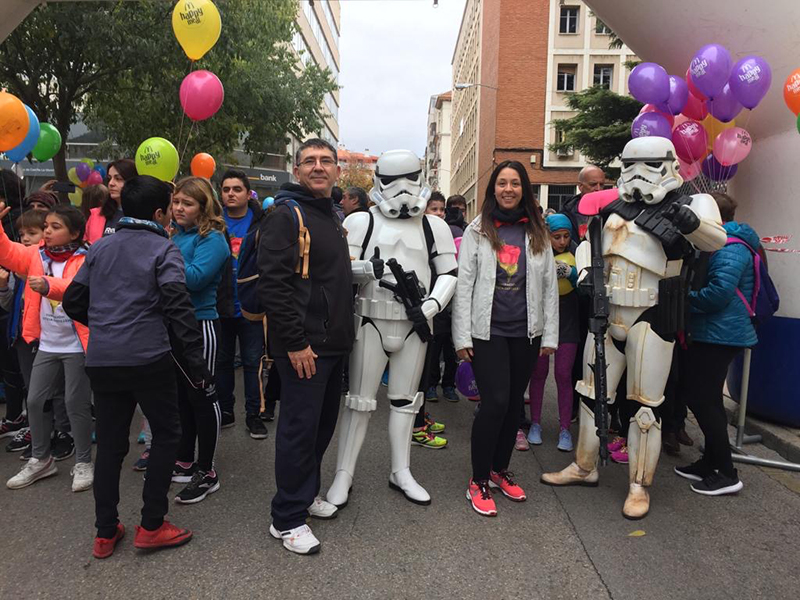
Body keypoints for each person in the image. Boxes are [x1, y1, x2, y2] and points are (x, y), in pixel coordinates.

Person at [541, 137, 727, 520]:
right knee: (592, 394)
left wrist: (690, 224)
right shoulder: (611, 205)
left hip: (653, 315)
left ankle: (639, 484)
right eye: (631, 165)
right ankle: (585, 465)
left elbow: (715, 240)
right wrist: (588, 278)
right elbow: (589, 246)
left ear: (669, 165)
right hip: (606, 314)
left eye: (649, 165)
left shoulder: (693, 203)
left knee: (646, 405)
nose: (638, 174)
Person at [63, 175, 202, 558]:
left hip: (104, 359)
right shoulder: (164, 249)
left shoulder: (100, 248)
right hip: (148, 359)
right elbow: (178, 307)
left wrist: (108, 323)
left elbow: (74, 301)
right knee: (168, 434)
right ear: (159, 213)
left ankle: (105, 533)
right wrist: (196, 363)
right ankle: (152, 524)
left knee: (109, 445)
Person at [326, 149, 457, 510]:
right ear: (379, 182)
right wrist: (371, 269)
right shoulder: (360, 223)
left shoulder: (436, 226)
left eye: (409, 179)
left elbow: (448, 274)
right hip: (369, 319)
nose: (402, 190)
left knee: (405, 402)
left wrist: (431, 305)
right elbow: (343, 270)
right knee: (359, 402)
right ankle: (344, 473)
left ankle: (401, 470)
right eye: (392, 181)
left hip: (416, 324)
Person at [259, 138, 357, 555]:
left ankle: (304, 494)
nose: (319, 167)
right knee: (298, 432)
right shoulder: (286, 214)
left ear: (337, 171)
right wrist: (295, 342)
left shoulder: (330, 214)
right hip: (304, 347)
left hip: (331, 344)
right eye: (309, 162)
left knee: (320, 427)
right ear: (296, 171)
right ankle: (287, 518)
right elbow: (274, 285)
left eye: (326, 161)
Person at [452, 160, 559, 517]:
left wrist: (550, 336)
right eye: (502, 183)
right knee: (495, 403)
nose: (508, 189)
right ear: (492, 189)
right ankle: (478, 479)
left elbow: (548, 289)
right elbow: (464, 283)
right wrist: (461, 336)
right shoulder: (477, 230)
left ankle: (499, 470)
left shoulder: (538, 231)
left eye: (515, 183)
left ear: (524, 189)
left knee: (514, 404)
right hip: (488, 332)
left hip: (527, 333)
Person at [0, 203, 94, 493]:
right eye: (47, 227)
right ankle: (42, 459)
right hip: (47, 344)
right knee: (36, 401)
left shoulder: (87, 257)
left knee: (75, 405)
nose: (47, 232)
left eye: (55, 227)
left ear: (74, 233)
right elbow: (7, 253)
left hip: (77, 344)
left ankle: (84, 462)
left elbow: (79, 286)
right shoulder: (35, 255)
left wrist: (49, 285)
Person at [674, 192, 756, 496]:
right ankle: (710, 462)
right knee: (702, 398)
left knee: (703, 399)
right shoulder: (715, 244)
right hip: (710, 333)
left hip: (721, 335)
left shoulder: (730, 248)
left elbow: (718, 294)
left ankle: (726, 472)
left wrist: (681, 299)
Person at [169, 176, 230, 504]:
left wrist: (161, 257)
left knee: (203, 397)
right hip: (174, 326)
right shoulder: (177, 236)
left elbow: (193, 279)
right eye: (176, 201)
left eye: (187, 203)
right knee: (182, 397)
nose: (178, 208)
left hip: (200, 325)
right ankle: (184, 460)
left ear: (203, 207)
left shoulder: (214, 239)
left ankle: (207, 471)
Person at [215, 169, 268, 439]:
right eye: (226, 189)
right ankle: (225, 411)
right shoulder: (213, 223)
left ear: (248, 194)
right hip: (220, 304)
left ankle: (254, 415)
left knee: (251, 362)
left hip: (252, 304)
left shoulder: (262, 222)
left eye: (237, 189)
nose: (231, 194)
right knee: (222, 362)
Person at [527, 214, 580, 451]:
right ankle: (535, 423)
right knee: (538, 374)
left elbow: (591, 283)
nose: (561, 242)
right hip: (542, 319)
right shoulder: (536, 254)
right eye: (556, 237)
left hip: (568, 320)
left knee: (563, 375)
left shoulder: (579, 254)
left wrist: (574, 274)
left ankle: (565, 429)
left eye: (566, 236)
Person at [85, 158, 136, 241]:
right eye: (109, 178)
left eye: (118, 179)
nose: (111, 183)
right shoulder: (96, 215)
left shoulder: (144, 216)